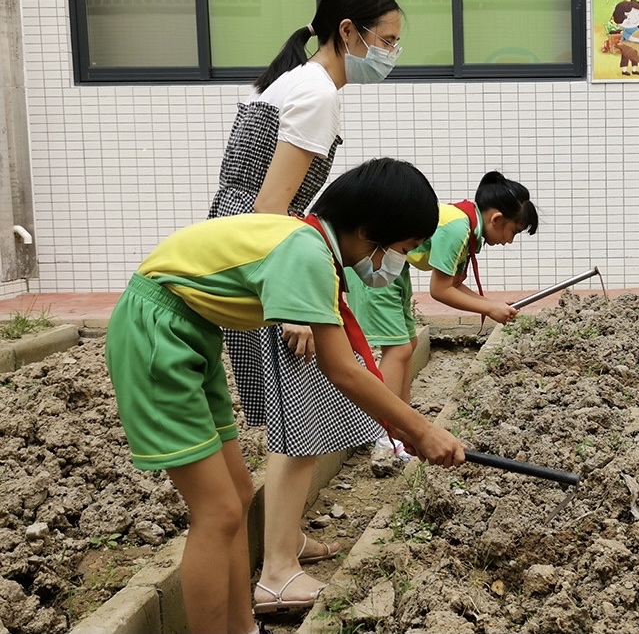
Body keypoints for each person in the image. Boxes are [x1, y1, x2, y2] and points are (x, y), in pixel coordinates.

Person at [106, 158, 466, 634]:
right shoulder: (307, 252)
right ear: (368, 232)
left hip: (189, 331)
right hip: (158, 332)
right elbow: (342, 369)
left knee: (237, 495)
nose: (397, 263)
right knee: (217, 510)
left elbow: (345, 366)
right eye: (402, 249)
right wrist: (420, 429)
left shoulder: (310, 242)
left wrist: (408, 428)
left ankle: (242, 627)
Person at [207, 0, 404, 612]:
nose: (392, 53)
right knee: (300, 418)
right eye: (387, 40)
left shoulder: (292, 82)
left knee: (290, 412)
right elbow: (272, 208)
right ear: (348, 32)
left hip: (243, 244)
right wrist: (291, 305)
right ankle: (277, 574)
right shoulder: (317, 93)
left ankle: (286, 543)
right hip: (264, 252)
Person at [346, 170, 538, 453]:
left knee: (409, 344)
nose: (509, 241)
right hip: (377, 264)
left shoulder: (467, 226)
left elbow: (453, 285)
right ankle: (385, 435)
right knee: (397, 349)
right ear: (497, 219)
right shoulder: (459, 229)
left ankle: (402, 424)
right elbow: (440, 290)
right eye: (514, 231)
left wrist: (491, 305)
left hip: (394, 266)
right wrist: (489, 307)